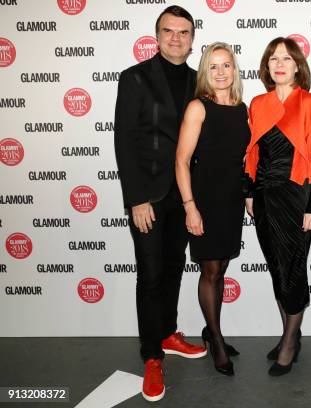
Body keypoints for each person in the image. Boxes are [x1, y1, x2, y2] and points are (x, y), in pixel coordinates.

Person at [114, 5, 205, 402]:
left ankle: (167, 333)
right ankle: (152, 355)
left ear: (192, 38)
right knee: (149, 275)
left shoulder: (198, 81)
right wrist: (136, 198)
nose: (176, 38)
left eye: (183, 32)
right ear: (157, 35)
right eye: (169, 31)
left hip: (184, 196)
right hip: (148, 197)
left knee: (171, 270)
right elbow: (124, 141)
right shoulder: (134, 78)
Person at [244, 37, 311, 376]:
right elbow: (251, 153)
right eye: (273, 58)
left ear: (297, 66)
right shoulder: (258, 103)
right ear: (267, 66)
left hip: (297, 198)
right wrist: (249, 194)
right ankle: (289, 333)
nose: (279, 64)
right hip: (264, 198)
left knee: (293, 269)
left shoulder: (310, 103)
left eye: (286, 58)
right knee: (277, 269)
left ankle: (290, 343)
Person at [175, 42, 249, 376]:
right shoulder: (198, 107)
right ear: (205, 71)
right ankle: (216, 340)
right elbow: (181, 160)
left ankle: (209, 329)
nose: (220, 72)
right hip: (204, 199)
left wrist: (248, 196)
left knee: (220, 267)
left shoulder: (242, 107)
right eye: (214, 66)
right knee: (210, 271)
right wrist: (190, 207)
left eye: (227, 65)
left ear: (235, 70)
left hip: (231, 200)